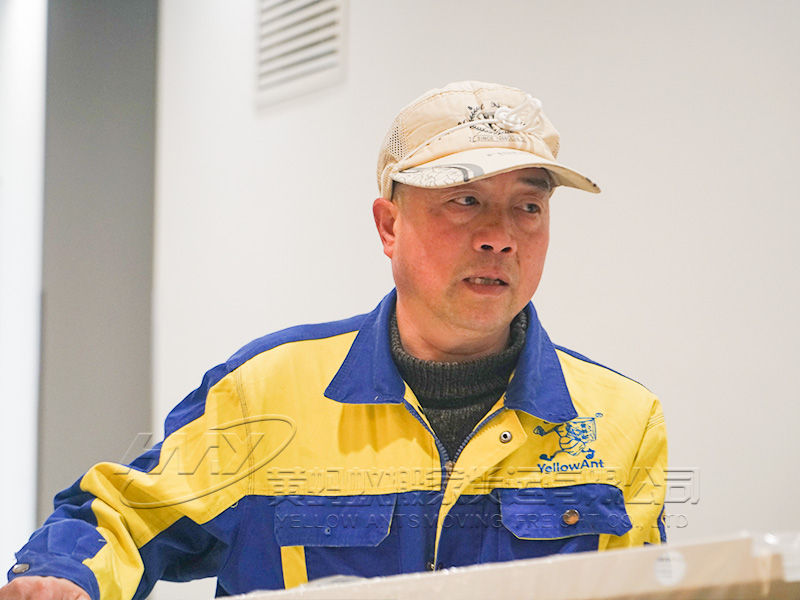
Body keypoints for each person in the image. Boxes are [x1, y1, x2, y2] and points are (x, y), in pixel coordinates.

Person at [2, 81, 667, 600]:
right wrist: (64, 578)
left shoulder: (624, 420)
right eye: (464, 200)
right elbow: (122, 515)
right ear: (389, 226)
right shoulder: (268, 392)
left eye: (528, 206)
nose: (500, 236)